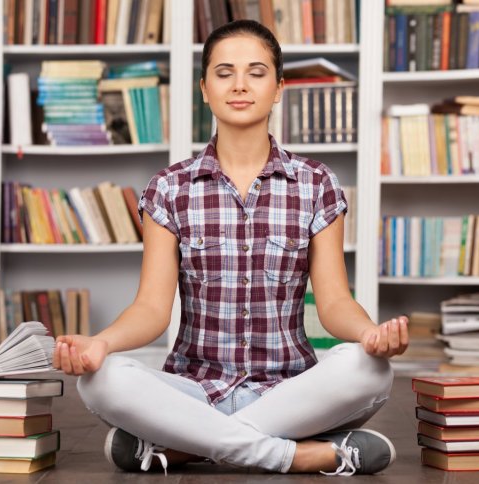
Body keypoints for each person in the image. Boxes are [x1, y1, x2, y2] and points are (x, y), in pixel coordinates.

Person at [52, 19, 409, 476]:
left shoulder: (316, 184)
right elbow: (151, 309)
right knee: (100, 381)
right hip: (193, 389)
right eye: (224, 73)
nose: (240, 85)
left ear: (278, 87)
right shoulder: (169, 188)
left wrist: (369, 336)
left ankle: (185, 446)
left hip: (289, 393)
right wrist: (98, 345)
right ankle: (296, 454)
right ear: (204, 88)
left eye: (256, 72)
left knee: (371, 370)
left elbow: (335, 301)